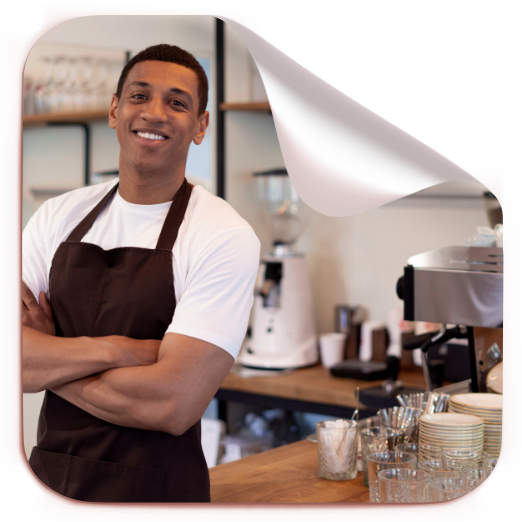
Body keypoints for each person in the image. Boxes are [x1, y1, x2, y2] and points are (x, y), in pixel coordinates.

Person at [22, 44, 261, 503]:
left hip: (158, 497)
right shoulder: (56, 216)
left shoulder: (222, 235)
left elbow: (172, 403)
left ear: (200, 126)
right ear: (115, 110)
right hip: (49, 485)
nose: (154, 113)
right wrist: (121, 350)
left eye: (177, 102)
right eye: (139, 96)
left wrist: (49, 358)